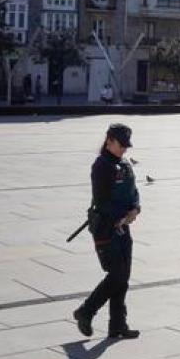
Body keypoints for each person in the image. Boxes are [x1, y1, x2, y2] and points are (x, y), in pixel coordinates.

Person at [73, 124, 141, 340]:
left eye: (126, 146)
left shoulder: (125, 164)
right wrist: (121, 216)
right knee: (117, 275)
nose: (125, 149)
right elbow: (102, 201)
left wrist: (135, 208)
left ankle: (118, 325)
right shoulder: (101, 166)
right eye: (122, 145)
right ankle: (86, 311)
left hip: (123, 226)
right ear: (109, 141)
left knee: (123, 276)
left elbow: (133, 190)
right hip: (106, 229)